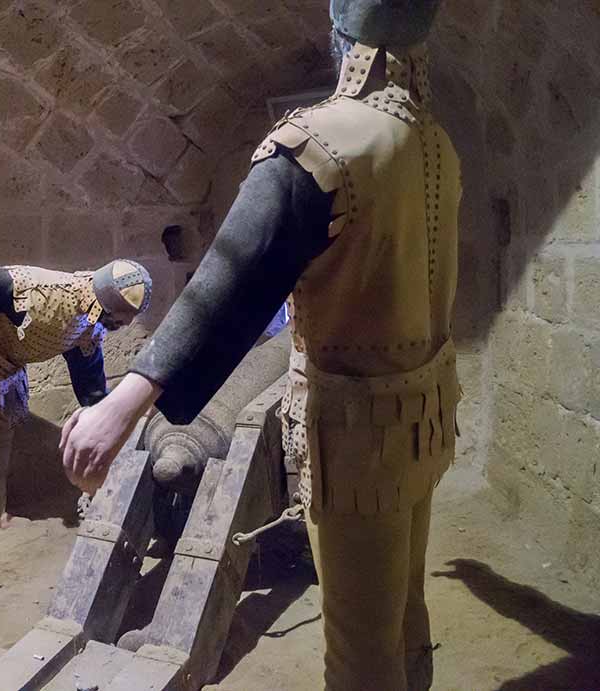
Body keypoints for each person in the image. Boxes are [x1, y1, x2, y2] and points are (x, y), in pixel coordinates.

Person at [59, 1, 459, 688]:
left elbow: (227, 284)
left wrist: (120, 406)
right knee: (402, 617)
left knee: (361, 654)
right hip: (424, 420)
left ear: (346, 34)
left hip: (357, 442)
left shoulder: (319, 147)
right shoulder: (435, 144)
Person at [0, 260, 152, 557]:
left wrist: (111, 415)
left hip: (8, 372)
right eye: (121, 317)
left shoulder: (87, 323)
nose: (126, 325)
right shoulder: (36, 289)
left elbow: (88, 380)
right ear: (101, 303)